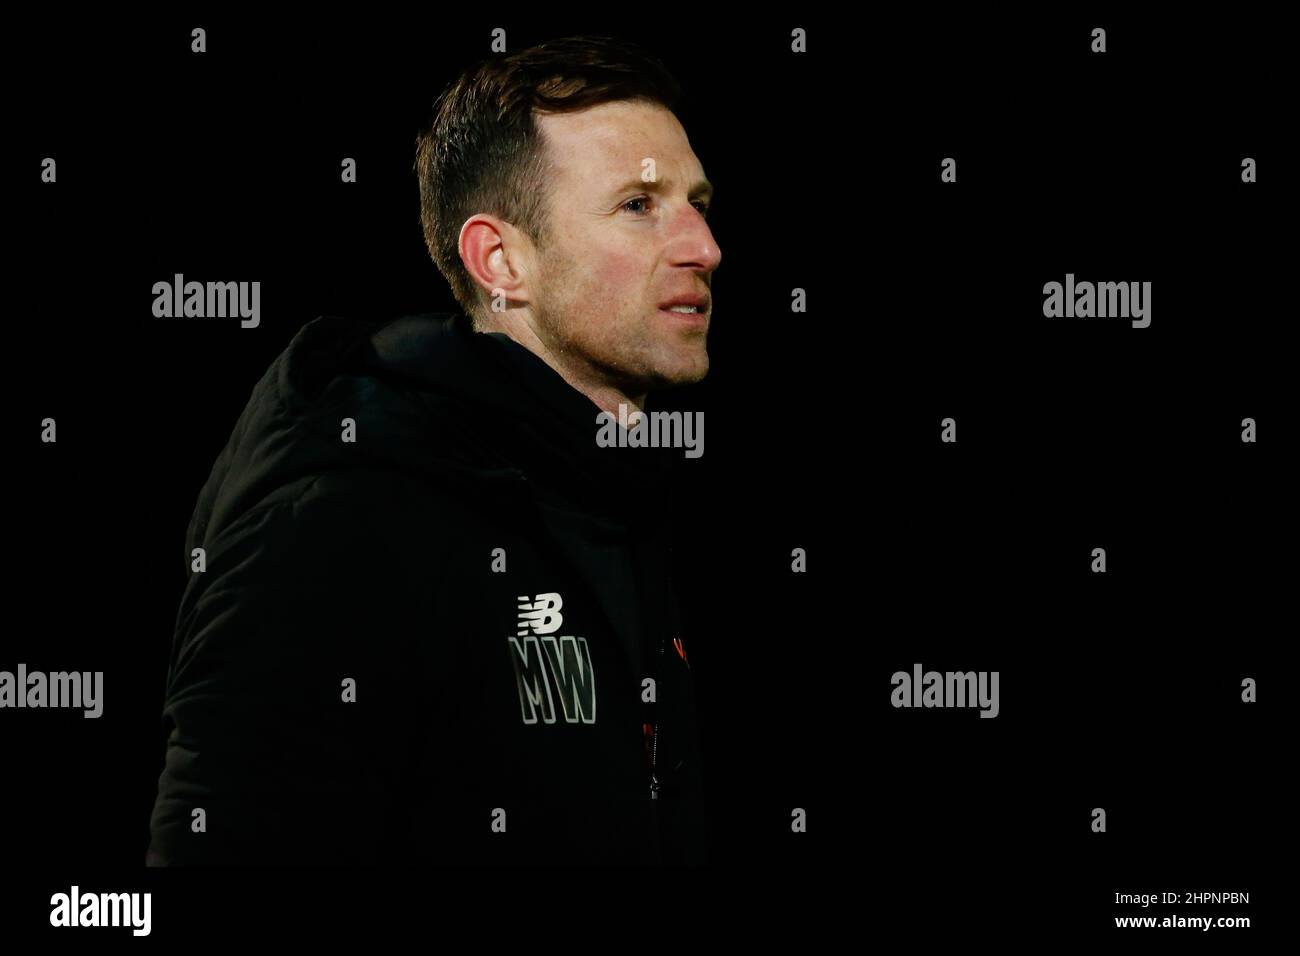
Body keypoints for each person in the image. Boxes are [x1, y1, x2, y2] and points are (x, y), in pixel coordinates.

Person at [146, 34, 722, 866]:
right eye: (639, 205)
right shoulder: (341, 520)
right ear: (500, 261)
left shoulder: (613, 499)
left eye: (698, 201)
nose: (703, 246)